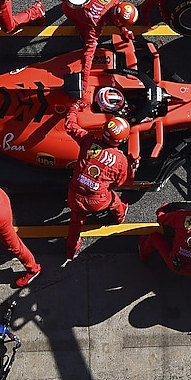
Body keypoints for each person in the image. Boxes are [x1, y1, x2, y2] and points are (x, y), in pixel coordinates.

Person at [64, 100, 130, 261]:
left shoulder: (87, 140)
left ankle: (70, 251)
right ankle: (120, 216)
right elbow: (120, 183)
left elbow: (70, 125)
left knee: (76, 222)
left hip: (75, 195)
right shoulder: (120, 159)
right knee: (114, 199)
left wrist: (74, 107)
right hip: (97, 201)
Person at [61, 0, 138, 91]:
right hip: (70, 10)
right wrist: (84, 82)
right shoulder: (95, 27)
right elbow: (88, 55)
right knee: (83, 34)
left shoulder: (113, 0)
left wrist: (123, 29)